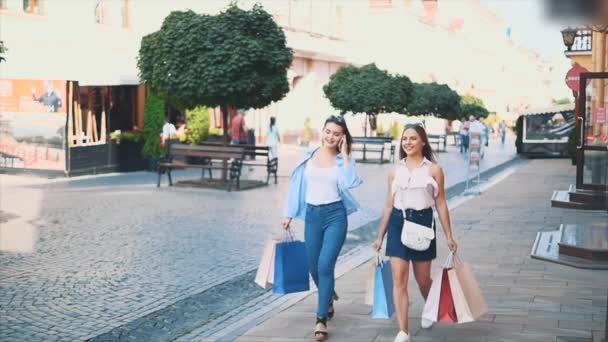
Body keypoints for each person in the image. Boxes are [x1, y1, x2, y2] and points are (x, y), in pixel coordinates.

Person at [372, 124, 458, 342]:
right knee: (399, 279)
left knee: (423, 280)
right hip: (398, 222)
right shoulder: (394, 171)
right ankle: (404, 331)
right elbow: (388, 206)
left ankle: (430, 308)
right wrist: (380, 236)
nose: (407, 142)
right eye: (404, 139)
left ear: (423, 142)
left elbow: (441, 203)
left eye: (412, 138)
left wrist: (449, 235)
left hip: (423, 223)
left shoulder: (434, 170)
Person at [281, 115, 362, 341]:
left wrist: (345, 155)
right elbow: (296, 185)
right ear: (322, 131)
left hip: (335, 216)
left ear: (342, 137)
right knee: (313, 267)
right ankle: (328, 295)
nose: (331, 137)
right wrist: (288, 213)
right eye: (328, 132)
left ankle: (321, 319)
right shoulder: (309, 156)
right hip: (312, 216)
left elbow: (349, 183)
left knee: (325, 265)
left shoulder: (343, 160)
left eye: (336, 134)